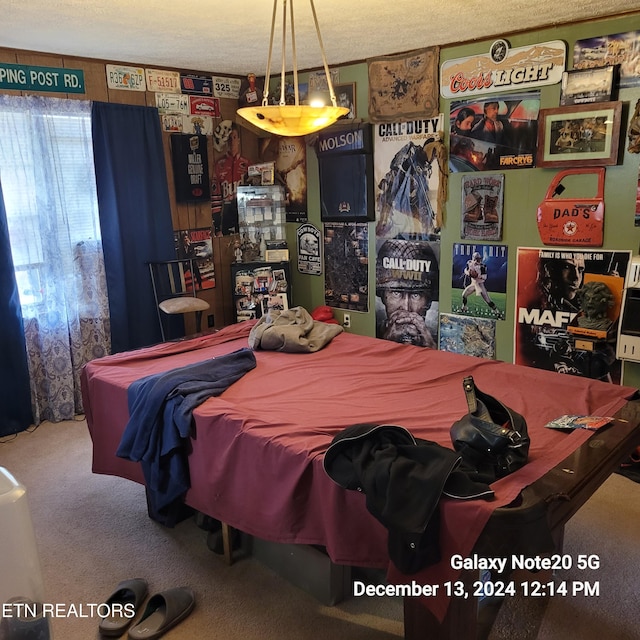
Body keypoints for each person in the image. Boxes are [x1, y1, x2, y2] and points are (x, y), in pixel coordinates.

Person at [376, 238, 438, 347]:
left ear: (428, 302)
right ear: (383, 296)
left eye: (416, 295)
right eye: (396, 293)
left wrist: (431, 347)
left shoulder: (438, 337)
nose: (406, 307)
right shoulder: (369, 332)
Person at [211, 123, 250, 236]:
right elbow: (215, 197)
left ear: (238, 140)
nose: (232, 141)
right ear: (226, 141)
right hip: (226, 215)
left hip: (244, 215)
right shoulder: (219, 165)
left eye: (234, 137)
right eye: (229, 138)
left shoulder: (247, 164)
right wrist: (217, 226)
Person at [460, 252, 502, 317]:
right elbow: (465, 270)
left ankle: (496, 311)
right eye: (477, 259)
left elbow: (485, 277)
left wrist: (477, 275)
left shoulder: (482, 266)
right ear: (473, 258)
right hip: (473, 283)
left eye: (479, 259)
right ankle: (464, 307)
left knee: (487, 300)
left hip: (480, 284)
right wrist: (469, 273)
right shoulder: (469, 263)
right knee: (464, 295)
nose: (478, 260)